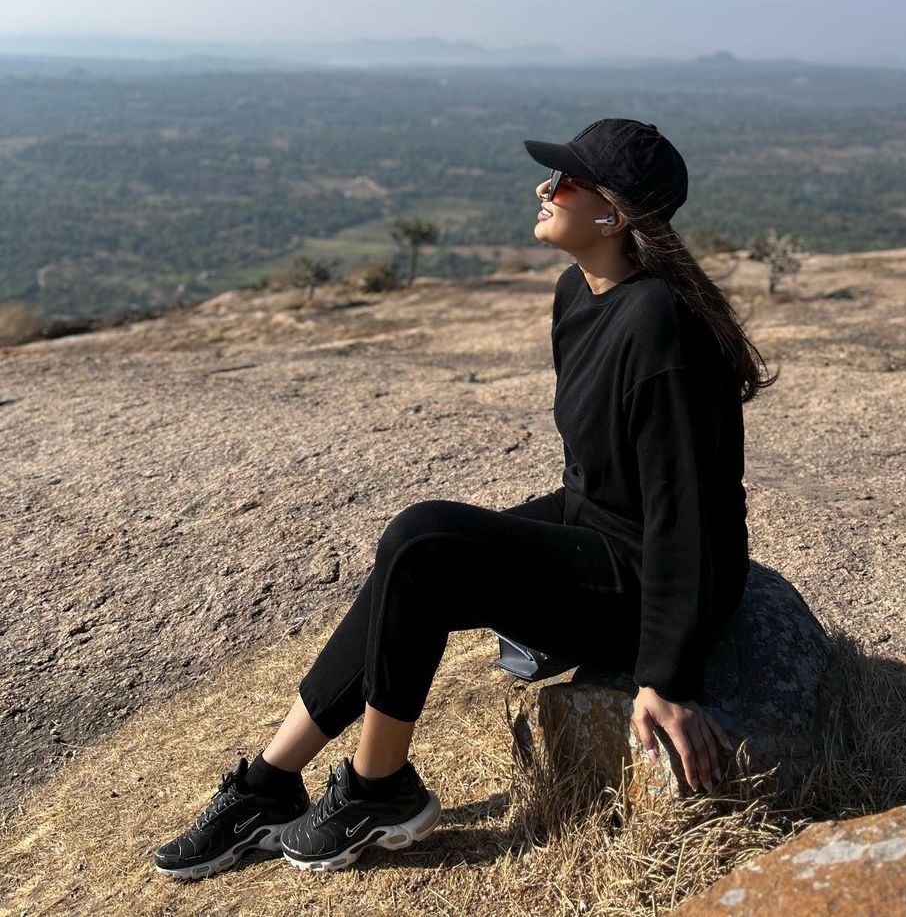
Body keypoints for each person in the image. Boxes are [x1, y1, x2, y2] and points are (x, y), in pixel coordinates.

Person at [152, 117, 777, 882]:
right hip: (600, 528)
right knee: (410, 557)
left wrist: (669, 678)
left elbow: (684, 509)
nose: (546, 188)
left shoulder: (658, 324)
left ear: (614, 212)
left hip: (651, 576)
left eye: (568, 181)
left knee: (425, 539)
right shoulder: (579, 293)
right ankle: (270, 785)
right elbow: (601, 476)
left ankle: (380, 788)